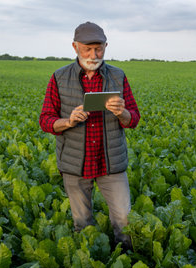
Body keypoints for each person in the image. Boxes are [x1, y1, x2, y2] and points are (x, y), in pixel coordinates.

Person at [39, 21, 140, 249]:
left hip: (111, 162)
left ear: (106, 46)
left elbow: (133, 119)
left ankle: (126, 261)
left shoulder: (118, 76)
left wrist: (122, 112)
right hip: (76, 165)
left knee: (124, 221)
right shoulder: (58, 78)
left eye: (99, 48)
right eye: (87, 49)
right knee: (82, 223)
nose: (94, 55)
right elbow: (45, 120)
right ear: (75, 47)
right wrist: (68, 121)